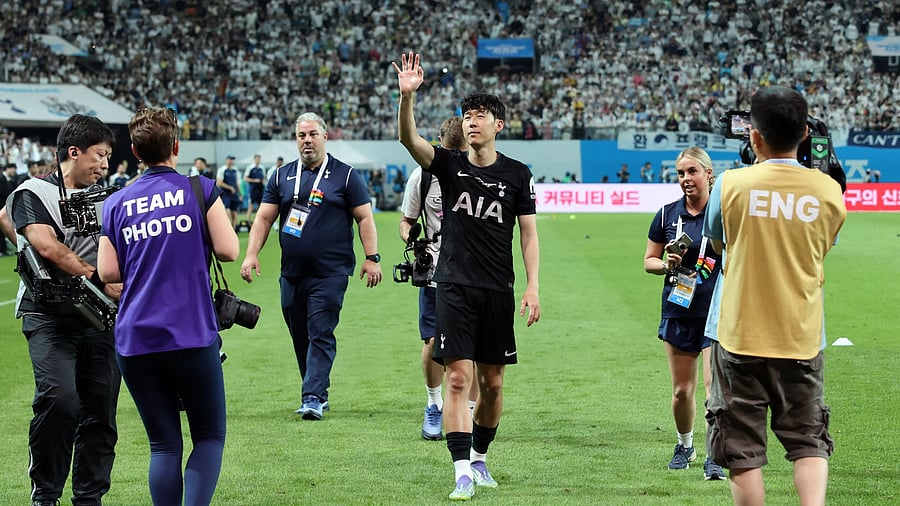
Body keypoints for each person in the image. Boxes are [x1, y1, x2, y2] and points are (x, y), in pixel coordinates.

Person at [394, 52, 541, 501]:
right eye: (467, 116)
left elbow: (529, 235)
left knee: (493, 384)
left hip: (498, 289)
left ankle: (480, 458)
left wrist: (533, 286)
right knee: (458, 379)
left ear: (499, 124)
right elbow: (410, 142)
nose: (472, 122)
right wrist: (407, 99)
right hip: (452, 286)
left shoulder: (518, 175)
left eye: (481, 116)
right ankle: (460, 470)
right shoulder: (447, 165)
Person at [703, 85, 846, 505]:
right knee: (808, 441)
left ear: (754, 135)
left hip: (741, 335)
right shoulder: (828, 192)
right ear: (806, 133)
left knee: (741, 448)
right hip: (800, 335)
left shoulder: (730, 184)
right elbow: (823, 246)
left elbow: (717, 245)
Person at [97, 107, 239, 506]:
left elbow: (107, 271)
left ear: (136, 152)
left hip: (136, 338)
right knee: (209, 436)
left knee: (163, 446)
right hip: (191, 332)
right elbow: (229, 250)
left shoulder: (117, 202)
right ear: (176, 146)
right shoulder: (199, 189)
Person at [0, 114, 122, 506]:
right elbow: (48, 247)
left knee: (101, 412)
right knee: (59, 400)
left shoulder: (110, 198)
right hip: (48, 316)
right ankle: (46, 495)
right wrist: (98, 277)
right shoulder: (32, 192)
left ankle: (89, 497)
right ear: (74, 152)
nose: (105, 165)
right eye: (100, 155)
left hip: (102, 320)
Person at [239, 112, 382, 421]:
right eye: (301, 135)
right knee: (300, 335)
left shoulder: (345, 176)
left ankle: (312, 396)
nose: (307, 140)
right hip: (291, 272)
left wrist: (372, 257)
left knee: (320, 332)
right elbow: (264, 218)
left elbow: (365, 218)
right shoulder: (280, 176)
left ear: (325, 136)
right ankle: (317, 388)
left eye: (312, 134)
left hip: (330, 273)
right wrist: (251, 254)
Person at [643, 146, 725, 480]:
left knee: (711, 387)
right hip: (678, 309)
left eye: (692, 172)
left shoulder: (722, 214)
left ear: (709, 174)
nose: (685, 179)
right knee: (681, 391)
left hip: (715, 311)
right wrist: (665, 265)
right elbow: (648, 260)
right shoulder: (666, 215)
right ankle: (685, 445)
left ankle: (714, 455)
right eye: (680, 173)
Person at [399, 116, 478, 441]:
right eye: (450, 150)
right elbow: (406, 220)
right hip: (434, 272)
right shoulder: (423, 176)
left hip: (475, 273)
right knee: (433, 342)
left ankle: (469, 412)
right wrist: (411, 238)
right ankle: (434, 403)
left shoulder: (481, 173)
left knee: (474, 347)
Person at [216, 155, 241, 226]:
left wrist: (240, 194)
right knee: (227, 209)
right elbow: (219, 182)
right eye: (230, 159)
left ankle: (234, 229)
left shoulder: (235, 171)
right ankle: (228, 226)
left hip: (234, 194)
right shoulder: (222, 170)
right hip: (225, 193)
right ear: (226, 160)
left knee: (234, 211)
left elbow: (238, 183)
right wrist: (230, 188)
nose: (231, 161)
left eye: (232, 160)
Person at [243, 154, 266, 222]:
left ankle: (259, 220)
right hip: (253, 189)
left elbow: (264, 177)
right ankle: (248, 221)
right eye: (257, 159)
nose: (258, 160)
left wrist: (263, 181)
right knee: (251, 205)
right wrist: (254, 180)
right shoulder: (250, 168)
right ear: (254, 159)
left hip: (260, 189)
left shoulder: (262, 168)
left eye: (259, 159)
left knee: (260, 206)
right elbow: (245, 178)